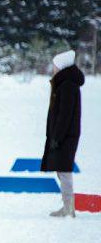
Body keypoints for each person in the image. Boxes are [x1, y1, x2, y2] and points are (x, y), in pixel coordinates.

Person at [41, 50, 83, 218]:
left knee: (64, 170)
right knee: (61, 169)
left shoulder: (67, 86)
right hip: (63, 135)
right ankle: (67, 206)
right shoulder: (64, 84)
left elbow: (65, 115)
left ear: (62, 66)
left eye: (55, 65)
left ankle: (68, 208)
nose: (53, 68)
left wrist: (57, 137)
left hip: (66, 136)